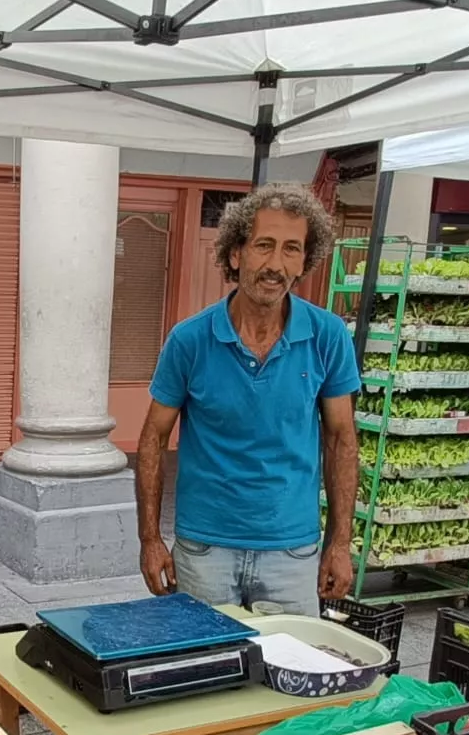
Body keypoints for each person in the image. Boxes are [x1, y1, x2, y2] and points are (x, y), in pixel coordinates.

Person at [135, 183, 360, 615]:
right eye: (264, 246)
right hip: (204, 551)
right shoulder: (190, 340)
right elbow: (152, 439)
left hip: (292, 553)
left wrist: (340, 542)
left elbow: (341, 442)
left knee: (290, 674)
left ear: (304, 260)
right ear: (236, 254)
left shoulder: (328, 336)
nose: (276, 264)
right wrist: (150, 539)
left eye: (291, 249)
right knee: (202, 671)